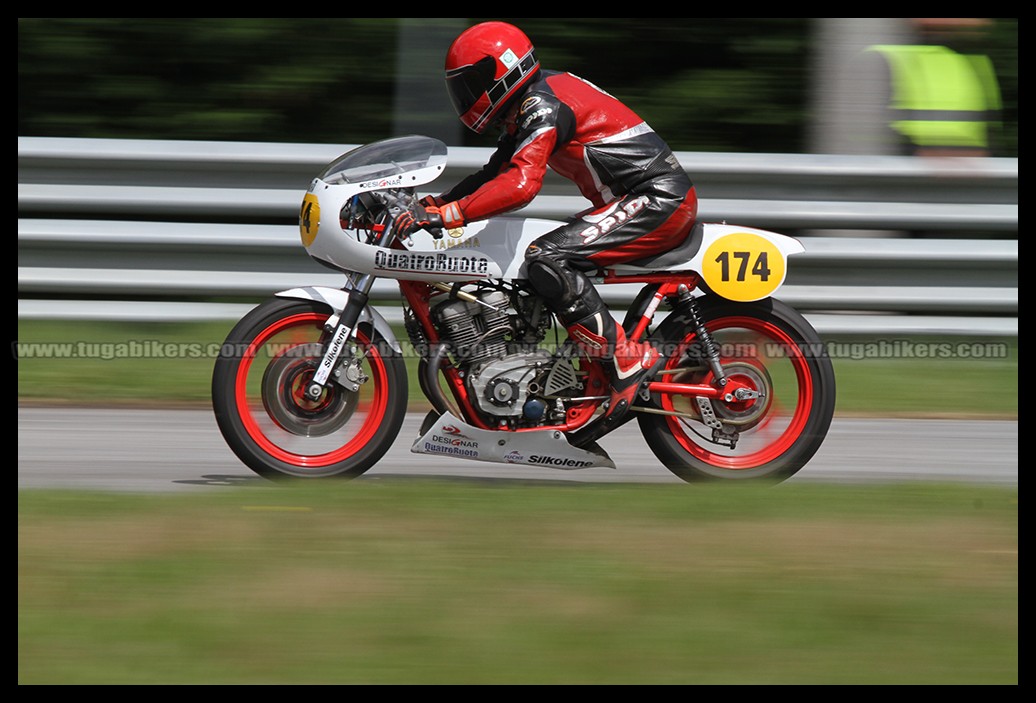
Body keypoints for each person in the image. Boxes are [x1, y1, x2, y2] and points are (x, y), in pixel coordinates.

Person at [395, 21, 698, 432]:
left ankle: (624, 359)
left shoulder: (542, 104)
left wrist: (448, 216)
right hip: (635, 199)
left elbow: (521, 185)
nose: (464, 94)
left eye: (472, 81)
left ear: (503, 70)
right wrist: (436, 203)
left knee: (546, 257)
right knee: (532, 264)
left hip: (658, 198)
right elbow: (496, 173)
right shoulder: (532, 101)